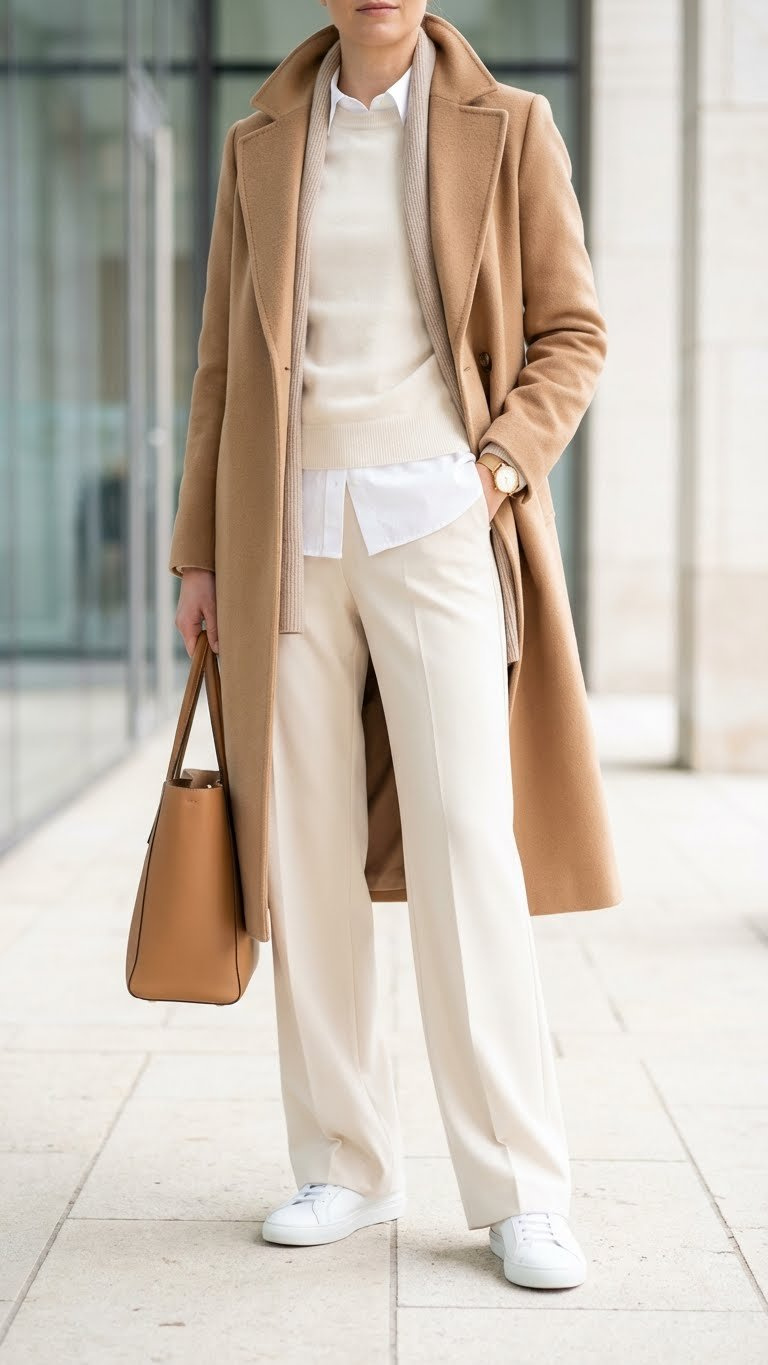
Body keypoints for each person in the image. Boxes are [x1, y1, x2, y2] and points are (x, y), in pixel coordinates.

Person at [171, 0, 621, 1292]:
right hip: (286, 538)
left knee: (465, 842)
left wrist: (488, 474)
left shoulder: (511, 127)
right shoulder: (262, 137)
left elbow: (572, 336)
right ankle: (347, 1160)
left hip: (436, 524)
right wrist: (197, 549)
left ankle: (521, 1186)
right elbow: (217, 365)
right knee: (301, 852)